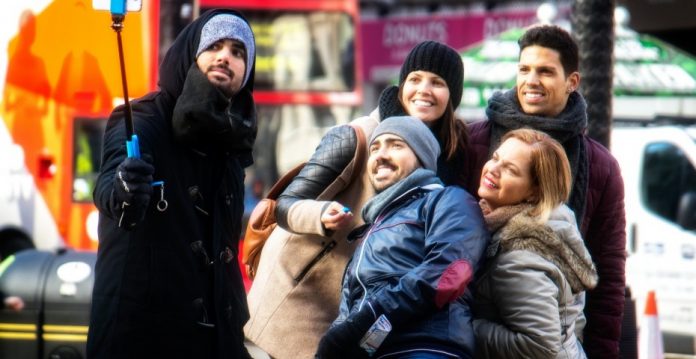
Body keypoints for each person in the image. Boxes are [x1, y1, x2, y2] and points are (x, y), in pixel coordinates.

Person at [245, 40, 468, 359]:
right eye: (415, 79)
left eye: (438, 82)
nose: (424, 90)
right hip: (302, 292)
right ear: (402, 84)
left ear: (453, 95)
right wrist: (321, 214)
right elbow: (285, 203)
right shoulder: (357, 136)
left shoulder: (449, 157)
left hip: (360, 306)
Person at [87, 10, 256, 359]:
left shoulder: (233, 140)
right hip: (144, 337)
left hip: (217, 339)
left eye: (239, 51)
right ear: (191, 53)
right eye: (215, 46)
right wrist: (125, 188)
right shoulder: (143, 119)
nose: (226, 56)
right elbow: (109, 188)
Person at [462, 24, 626, 358]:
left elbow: (606, 276)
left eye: (546, 71)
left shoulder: (600, 166)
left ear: (572, 82)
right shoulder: (473, 142)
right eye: (524, 69)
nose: (531, 80)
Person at [315, 116, 488, 359]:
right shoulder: (372, 227)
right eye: (375, 148)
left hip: (427, 347)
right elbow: (351, 310)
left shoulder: (448, 199)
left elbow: (449, 272)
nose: (381, 155)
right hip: (378, 350)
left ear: (422, 156)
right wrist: (339, 340)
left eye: (396, 145)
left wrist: (371, 314)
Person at [472, 128, 598, 358]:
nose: (493, 170)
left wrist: (466, 326)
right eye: (495, 158)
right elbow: (573, 318)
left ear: (534, 192)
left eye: (510, 170)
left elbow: (541, 346)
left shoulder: (519, 256)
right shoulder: (554, 224)